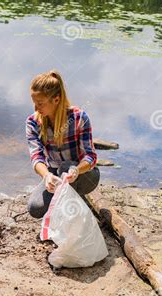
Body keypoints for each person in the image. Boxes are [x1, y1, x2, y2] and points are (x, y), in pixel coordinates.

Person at [25, 70, 100, 219]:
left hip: (84, 174)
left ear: (56, 100)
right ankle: (70, 200)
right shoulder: (33, 122)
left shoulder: (79, 117)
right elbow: (36, 158)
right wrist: (46, 176)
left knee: (66, 168)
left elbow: (91, 156)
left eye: (40, 103)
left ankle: (70, 210)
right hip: (55, 171)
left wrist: (77, 170)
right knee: (35, 208)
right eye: (34, 103)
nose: (36, 108)